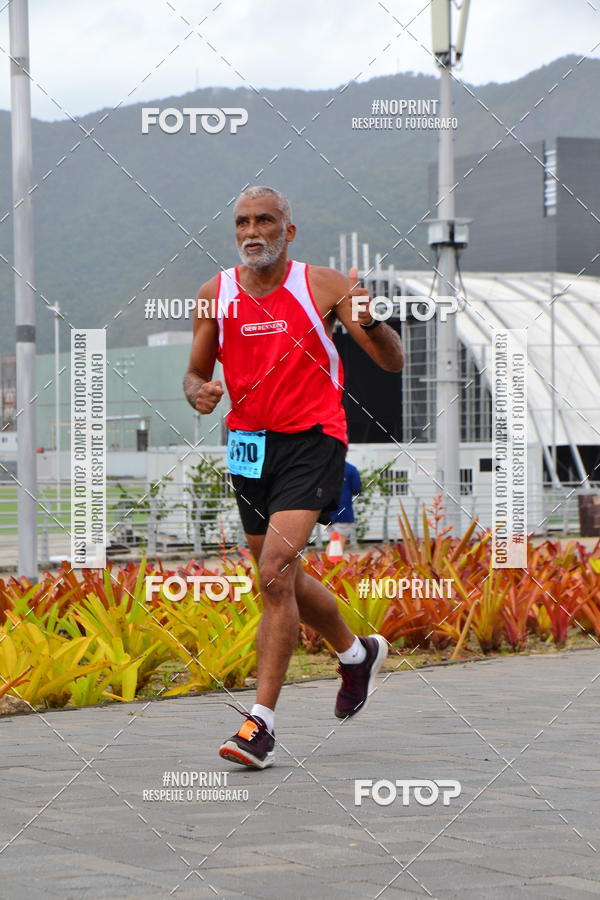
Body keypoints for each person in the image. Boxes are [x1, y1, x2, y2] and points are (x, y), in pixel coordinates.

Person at [183, 185, 404, 769]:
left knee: (274, 571)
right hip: (249, 445)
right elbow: (194, 372)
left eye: (265, 220)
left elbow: (392, 360)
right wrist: (199, 393)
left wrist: (372, 321)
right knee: (280, 576)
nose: (252, 231)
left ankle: (260, 726)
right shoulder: (214, 294)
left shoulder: (327, 286)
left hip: (314, 438)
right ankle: (356, 653)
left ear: (289, 230)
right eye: (242, 222)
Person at [325, 460, 362, 550]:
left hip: (327, 513)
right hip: (343, 512)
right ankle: (328, 563)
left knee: (333, 542)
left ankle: (324, 563)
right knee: (337, 545)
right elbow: (357, 489)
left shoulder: (325, 468)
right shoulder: (351, 469)